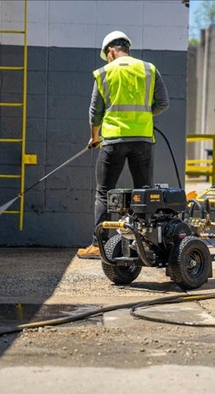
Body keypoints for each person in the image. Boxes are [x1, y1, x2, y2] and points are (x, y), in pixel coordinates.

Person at [76, 31, 170, 259]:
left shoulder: (104, 73)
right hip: (142, 139)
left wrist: (94, 137)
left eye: (106, 55)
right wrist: (143, 116)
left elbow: (95, 112)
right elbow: (163, 103)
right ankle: (147, 246)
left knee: (104, 193)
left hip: (113, 140)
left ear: (110, 51)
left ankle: (98, 245)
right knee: (144, 192)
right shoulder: (149, 69)